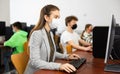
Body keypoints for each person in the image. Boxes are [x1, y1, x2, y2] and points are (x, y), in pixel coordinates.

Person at [24, 4, 80, 74]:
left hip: (46, 70)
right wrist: (59, 66)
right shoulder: (37, 34)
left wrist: (67, 56)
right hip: (36, 71)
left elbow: (51, 52)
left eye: (59, 18)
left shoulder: (50, 33)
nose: (58, 20)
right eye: (56, 17)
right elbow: (35, 61)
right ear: (46, 17)